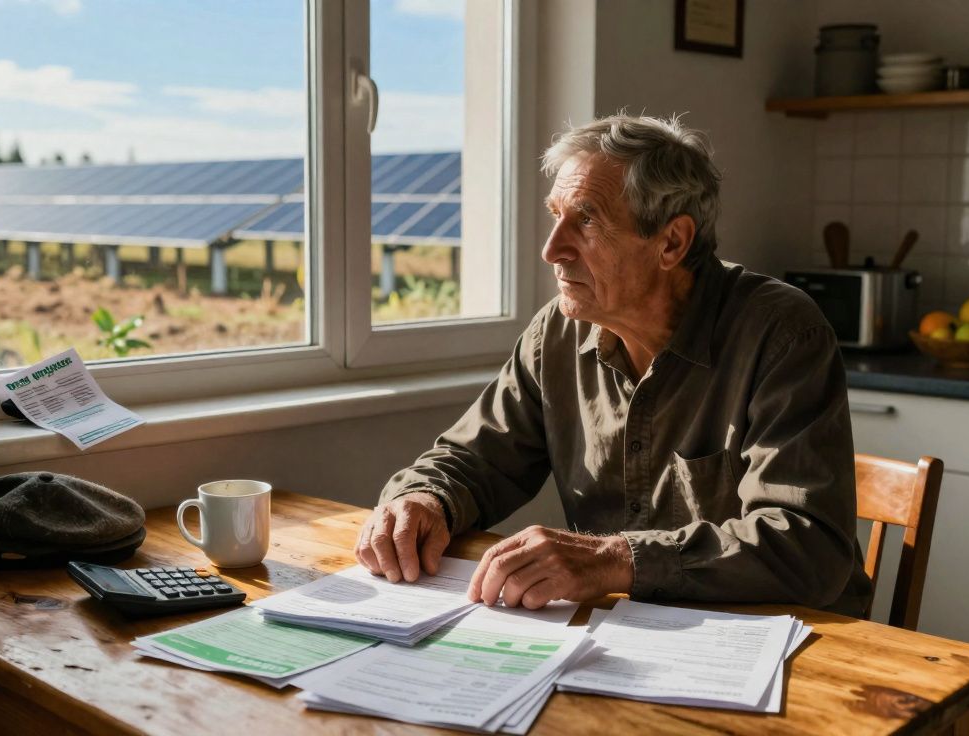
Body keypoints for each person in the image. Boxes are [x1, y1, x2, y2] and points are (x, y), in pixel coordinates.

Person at [355, 113, 871, 616]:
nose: (551, 249)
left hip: (790, 646)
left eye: (586, 220)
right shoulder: (556, 334)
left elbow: (809, 547)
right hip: (626, 634)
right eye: (556, 215)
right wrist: (425, 499)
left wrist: (614, 559)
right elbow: (477, 460)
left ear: (671, 242)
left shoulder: (781, 333)